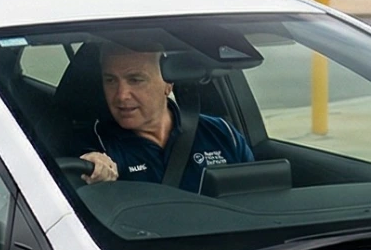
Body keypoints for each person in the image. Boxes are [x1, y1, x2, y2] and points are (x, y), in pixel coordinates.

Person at [78, 40, 253, 192]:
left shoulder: (221, 132)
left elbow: (257, 195)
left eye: (135, 80)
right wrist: (93, 167)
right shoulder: (94, 142)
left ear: (168, 84)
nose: (121, 95)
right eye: (110, 80)